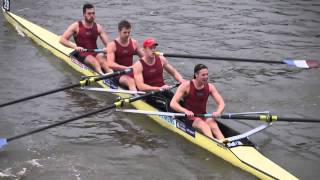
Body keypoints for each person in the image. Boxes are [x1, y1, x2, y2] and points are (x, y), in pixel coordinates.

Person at [170, 64, 225, 140]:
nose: (206, 77)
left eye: (207, 74)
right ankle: (214, 144)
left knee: (214, 125)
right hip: (189, 118)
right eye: (203, 75)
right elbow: (173, 103)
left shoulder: (210, 87)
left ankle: (225, 143)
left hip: (203, 115)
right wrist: (185, 111)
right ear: (196, 75)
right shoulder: (186, 86)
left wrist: (218, 112)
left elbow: (221, 103)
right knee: (204, 126)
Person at [133, 38, 185, 111]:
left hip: (163, 90)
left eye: (154, 48)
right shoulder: (138, 65)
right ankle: (175, 119)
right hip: (149, 94)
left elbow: (173, 72)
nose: (153, 50)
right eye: (150, 48)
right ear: (144, 50)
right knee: (168, 104)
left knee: (180, 102)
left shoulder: (161, 59)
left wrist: (181, 80)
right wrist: (158, 88)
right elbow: (141, 86)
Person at [59, 3, 111, 74]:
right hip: (82, 53)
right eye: (89, 13)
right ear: (84, 14)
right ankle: (102, 75)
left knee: (102, 60)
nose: (92, 15)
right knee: (94, 62)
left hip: (95, 52)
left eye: (93, 13)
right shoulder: (76, 26)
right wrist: (75, 46)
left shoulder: (98, 27)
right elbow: (62, 39)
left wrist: (107, 49)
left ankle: (111, 74)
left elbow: (108, 45)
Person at [106, 20, 144, 90]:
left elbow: (144, 58)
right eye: (125, 32)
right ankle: (136, 98)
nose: (127, 35)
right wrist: (126, 68)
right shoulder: (112, 45)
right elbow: (110, 64)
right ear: (119, 32)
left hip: (131, 71)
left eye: (129, 32)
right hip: (118, 74)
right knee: (130, 81)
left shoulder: (134, 43)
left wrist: (152, 56)